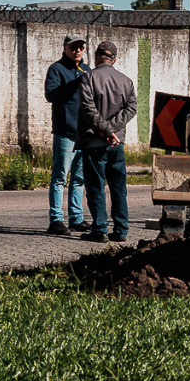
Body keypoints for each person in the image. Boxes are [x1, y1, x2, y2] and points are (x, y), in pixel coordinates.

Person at [76, 40, 136, 243]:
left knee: (96, 187)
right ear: (114, 59)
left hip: (94, 142)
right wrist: (113, 130)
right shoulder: (126, 81)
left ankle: (99, 230)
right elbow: (131, 108)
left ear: (96, 56)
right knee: (119, 188)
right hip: (117, 143)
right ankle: (121, 230)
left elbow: (88, 109)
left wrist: (105, 130)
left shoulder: (88, 78)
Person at [42, 35, 89, 234]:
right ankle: (56, 219)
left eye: (80, 47)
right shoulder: (56, 69)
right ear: (65, 48)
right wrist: (73, 84)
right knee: (60, 176)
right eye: (73, 47)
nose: (77, 50)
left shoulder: (87, 71)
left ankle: (76, 217)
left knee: (79, 178)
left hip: (84, 132)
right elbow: (50, 95)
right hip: (65, 131)